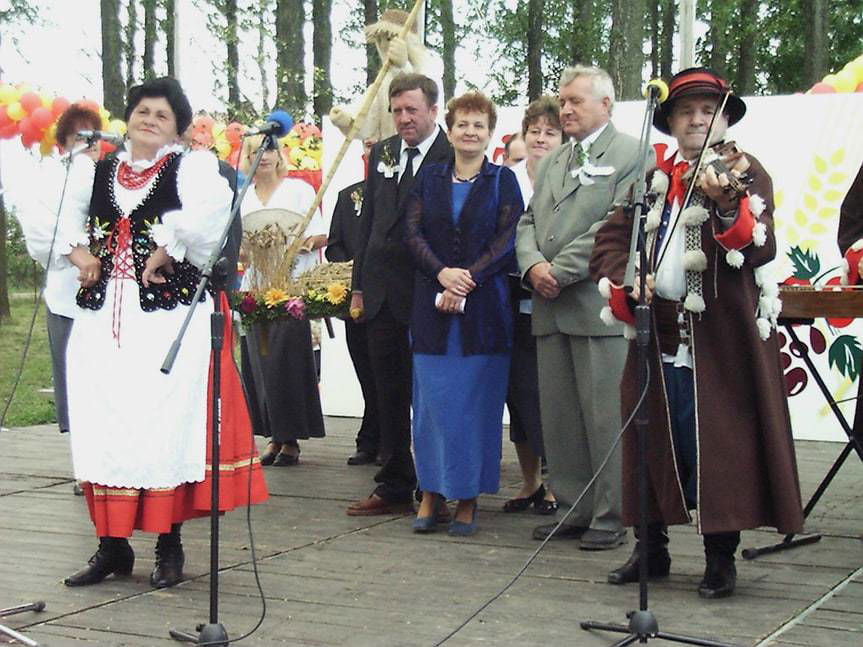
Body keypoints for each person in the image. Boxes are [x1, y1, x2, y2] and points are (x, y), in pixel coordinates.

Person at [590, 67, 804, 598]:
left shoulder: (745, 173)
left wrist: (729, 203)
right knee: (650, 440)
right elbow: (613, 239)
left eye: (708, 110)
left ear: (725, 119)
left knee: (717, 446)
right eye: (686, 111)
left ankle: (719, 559)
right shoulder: (651, 180)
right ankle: (651, 549)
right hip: (655, 335)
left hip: (718, 342)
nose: (697, 119)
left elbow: (759, 245)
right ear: (670, 123)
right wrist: (626, 276)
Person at [60, 77, 268, 588]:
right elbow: (55, 217)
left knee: (162, 423)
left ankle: (168, 543)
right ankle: (112, 546)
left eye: (162, 115)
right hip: (103, 319)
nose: (149, 120)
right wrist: (77, 253)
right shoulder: (95, 170)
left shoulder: (191, 170)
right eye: (142, 111)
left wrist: (170, 246)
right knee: (104, 421)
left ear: (177, 128)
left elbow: (210, 221)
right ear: (128, 117)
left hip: (167, 319)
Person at [515, 64, 639, 550]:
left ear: (605, 105)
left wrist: (558, 271)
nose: (564, 109)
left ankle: (611, 514)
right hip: (548, 307)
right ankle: (572, 506)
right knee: (561, 417)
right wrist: (531, 267)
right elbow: (527, 222)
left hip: (596, 305)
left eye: (575, 101)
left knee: (605, 417)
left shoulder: (633, 153)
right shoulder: (551, 161)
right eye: (562, 101)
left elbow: (616, 224)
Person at [405, 91, 523, 535]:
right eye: (463, 124)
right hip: (432, 316)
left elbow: (508, 239)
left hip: (484, 316)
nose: (470, 132)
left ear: (490, 133)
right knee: (432, 406)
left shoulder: (502, 182)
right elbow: (411, 234)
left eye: (479, 125)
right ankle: (432, 491)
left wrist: (466, 279)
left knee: (476, 407)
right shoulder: (429, 178)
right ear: (449, 129)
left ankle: (469, 496)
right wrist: (442, 275)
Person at [346, 73, 452, 516]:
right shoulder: (384, 153)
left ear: (433, 110)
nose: (404, 118)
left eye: (412, 110)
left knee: (433, 395)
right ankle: (393, 481)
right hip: (382, 292)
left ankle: (438, 486)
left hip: (428, 291)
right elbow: (368, 222)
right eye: (397, 111)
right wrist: (358, 287)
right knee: (387, 393)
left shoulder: (451, 155)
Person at [15, 104, 102, 496]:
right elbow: (37, 225)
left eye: (93, 136)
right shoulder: (48, 178)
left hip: (111, 298)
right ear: (64, 141)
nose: (87, 145)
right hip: (66, 295)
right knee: (73, 381)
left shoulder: (111, 173)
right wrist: (74, 251)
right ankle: (85, 466)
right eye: (79, 137)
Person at [238, 134, 327, 466]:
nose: (263, 156)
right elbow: (237, 244)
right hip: (255, 286)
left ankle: (291, 439)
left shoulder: (299, 190)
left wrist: (296, 241)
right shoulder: (242, 196)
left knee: (286, 361)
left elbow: (320, 233)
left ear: (279, 155)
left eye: (269, 149)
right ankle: (274, 436)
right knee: (260, 363)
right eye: (255, 150)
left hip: (290, 287)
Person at [503, 96, 563, 516]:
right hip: (506, 304)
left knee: (552, 398)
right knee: (518, 397)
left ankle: (560, 485)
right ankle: (530, 483)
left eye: (550, 132)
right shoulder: (506, 179)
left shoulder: (569, 178)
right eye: (535, 131)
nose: (541, 138)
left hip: (553, 301)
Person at [326, 138, 383, 466]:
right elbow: (334, 245)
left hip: (387, 297)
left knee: (387, 374)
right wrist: (350, 267)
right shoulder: (348, 196)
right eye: (368, 148)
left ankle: (386, 438)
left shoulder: (400, 193)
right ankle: (369, 438)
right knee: (364, 370)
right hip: (355, 297)